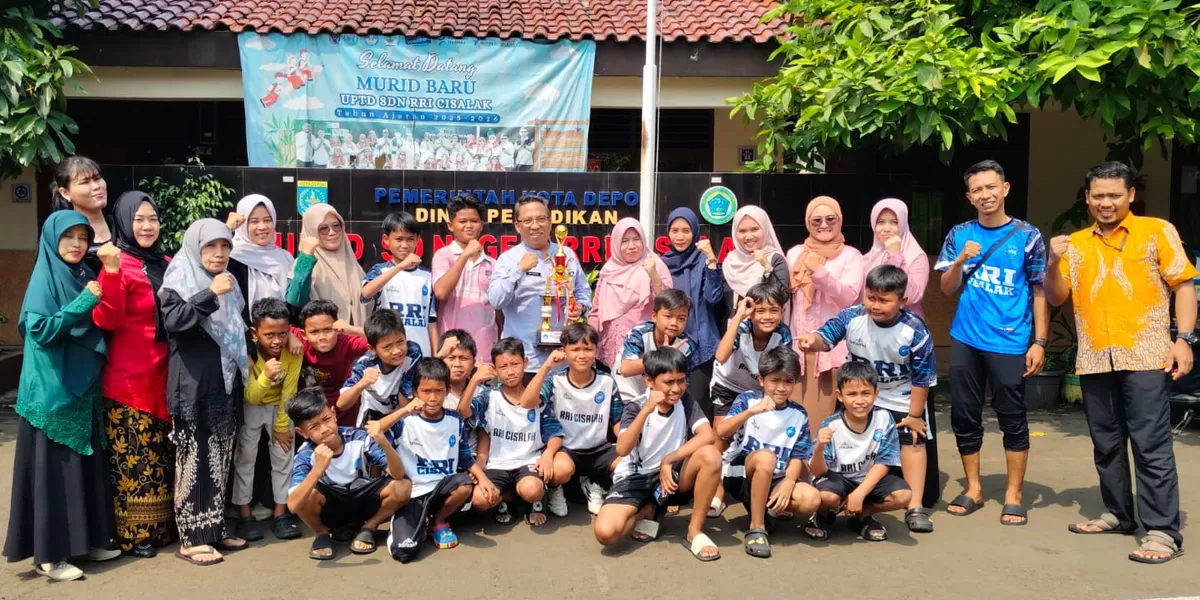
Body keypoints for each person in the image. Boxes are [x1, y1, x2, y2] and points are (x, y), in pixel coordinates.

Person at [1045, 161, 1196, 564]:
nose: (1106, 202)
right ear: (1087, 197)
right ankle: (1119, 513)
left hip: (1147, 355)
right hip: (1095, 357)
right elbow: (1057, 296)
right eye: (1098, 195)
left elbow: (1183, 285)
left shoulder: (1156, 231)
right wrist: (1051, 262)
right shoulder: (1076, 244)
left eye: (1114, 195)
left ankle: (1162, 531)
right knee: (1107, 444)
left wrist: (1184, 340)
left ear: (1131, 195)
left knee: (1150, 445)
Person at [3, 211, 120, 581]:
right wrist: (82, 303)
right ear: (52, 240)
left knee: (83, 468)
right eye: (69, 237)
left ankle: (88, 543)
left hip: (83, 389)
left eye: (83, 237)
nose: (77, 244)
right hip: (51, 391)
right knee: (54, 474)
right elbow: (39, 330)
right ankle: (50, 556)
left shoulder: (82, 274)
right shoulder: (44, 278)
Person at [935, 160, 1048, 526]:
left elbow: (1040, 291)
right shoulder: (959, 234)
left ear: (1005, 188)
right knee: (964, 415)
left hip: (1011, 341)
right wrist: (960, 261)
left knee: (1012, 416)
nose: (985, 195)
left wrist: (1040, 341)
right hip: (966, 338)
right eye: (977, 190)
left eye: (991, 187)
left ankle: (1014, 494)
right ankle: (973, 488)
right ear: (969, 197)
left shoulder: (1027, 236)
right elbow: (947, 288)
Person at [797, 265, 937, 533]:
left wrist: (915, 415)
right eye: (871, 297)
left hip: (900, 394)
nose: (875, 305)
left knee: (913, 438)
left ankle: (915, 506)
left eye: (884, 300)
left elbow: (923, 377)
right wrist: (811, 341)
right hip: (860, 392)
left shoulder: (915, 330)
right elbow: (826, 336)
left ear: (903, 301)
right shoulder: (853, 316)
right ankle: (837, 494)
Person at [159, 218, 251, 565]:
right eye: (210, 246)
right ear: (194, 248)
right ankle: (191, 539)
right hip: (193, 385)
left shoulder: (228, 283)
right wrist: (210, 293)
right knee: (195, 460)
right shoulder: (179, 280)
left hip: (223, 383)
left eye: (225, 246)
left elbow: (238, 326)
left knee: (219, 458)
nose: (219, 253)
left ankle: (213, 529)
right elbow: (175, 321)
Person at [91, 191, 174, 558]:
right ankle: (134, 535)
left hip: (165, 376)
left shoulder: (166, 263)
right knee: (134, 461)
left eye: (152, 219)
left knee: (161, 457)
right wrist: (110, 274)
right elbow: (106, 319)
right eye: (139, 219)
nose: (147, 226)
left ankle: (162, 529)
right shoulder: (117, 263)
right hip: (128, 382)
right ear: (124, 222)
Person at [593, 347, 723, 562]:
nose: (676, 388)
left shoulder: (685, 400)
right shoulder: (636, 407)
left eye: (681, 380)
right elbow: (622, 449)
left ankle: (694, 532)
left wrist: (668, 460)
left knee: (710, 455)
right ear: (649, 381)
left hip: (671, 478)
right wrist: (646, 410)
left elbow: (707, 435)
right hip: (636, 478)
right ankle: (647, 510)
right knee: (606, 534)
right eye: (669, 382)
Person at [367, 359, 484, 562]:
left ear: (447, 390)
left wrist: (484, 479)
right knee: (404, 551)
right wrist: (404, 410)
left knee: (464, 484)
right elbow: (375, 431)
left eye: (438, 391)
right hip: (413, 493)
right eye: (426, 391)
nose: (432, 398)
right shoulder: (404, 421)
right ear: (415, 392)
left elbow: (465, 456)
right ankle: (415, 522)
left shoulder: (454, 419)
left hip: (442, 489)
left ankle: (438, 521)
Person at [715, 346, 821, 558]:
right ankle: (757, 528)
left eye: (788, 381)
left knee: (811, 499)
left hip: (776, 475)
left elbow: (798, 455)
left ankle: (767, 509)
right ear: (761, 380)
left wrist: (789, 481)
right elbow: (722, 430)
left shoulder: (799, 413)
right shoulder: (748, 400)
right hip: (741, 473)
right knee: (766, 458)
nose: (781, 388)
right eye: (774, 381)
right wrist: (751, 412)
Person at [285, 389, 412, 560]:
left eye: (326, 419)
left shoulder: (359, 437)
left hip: (365, 500)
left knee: (403, 486)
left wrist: (385, 444)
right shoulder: (306, 454)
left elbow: (398, 475)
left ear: (334, 414)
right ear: (302, 432)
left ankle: (369, 527)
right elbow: (293, 505)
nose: (324, 429)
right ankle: (321, 533)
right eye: (314, 426)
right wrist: (317, 469)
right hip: (332, 508)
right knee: (305, 495)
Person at [460, 338, 567, 527]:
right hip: (497, 464)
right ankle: (506, 498)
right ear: (495, 369)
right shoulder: (489, 397)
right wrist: (475, 379)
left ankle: (537, 500)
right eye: (503, 366)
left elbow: (555, 432)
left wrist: (548, 454)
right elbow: (462, 413)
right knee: (479, 500)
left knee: (532, 490)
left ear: (525, 362)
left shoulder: (536, 397)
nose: (510, 371)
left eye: (515, 364)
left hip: (528, 462)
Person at [524, 323, 625, 516]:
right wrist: (546, 366)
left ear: (596, 351)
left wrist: (626, 441)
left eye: (588, 349)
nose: (582, 355)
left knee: (628, 464)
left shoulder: (607, 381)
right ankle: (555, 490)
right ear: (564, 351)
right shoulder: (555, 380)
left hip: (599, 449)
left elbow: (617, 419)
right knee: (560, 469)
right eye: (575, 349)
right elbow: (527, 402)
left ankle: (597, 485)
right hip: (566, 450)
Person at [488, 195, 591, 379]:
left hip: (563, 359)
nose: (535, 226)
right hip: (523, 360)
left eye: (541, 219)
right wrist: (519, 270)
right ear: (517, 226)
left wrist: (580, 307)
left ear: (550, 222)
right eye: (527, 220)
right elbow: (496, 300)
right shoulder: (508, 259)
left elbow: (582, 291)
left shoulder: (566, 254)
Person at [808, 361, 912, 542]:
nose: (859, 401)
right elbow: (818, 472)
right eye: (852, 394)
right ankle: (823, 516)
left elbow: (885, 462)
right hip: (838, 479)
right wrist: (819, 448)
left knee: (903, 496)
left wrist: (860, 493)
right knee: (826, 496)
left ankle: (863, 515)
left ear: (876, 393)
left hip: (868, 478)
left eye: (866, 393)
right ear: (840, 396)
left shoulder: (884, 418)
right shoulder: (832, 424)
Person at [787, 196, 864, 431]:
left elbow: (848, 298)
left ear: (840, 220)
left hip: (833, 351)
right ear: (807, 223)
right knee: (796, 420)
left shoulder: (851, 256)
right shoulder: (795, 254)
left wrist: (819, 273)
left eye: (830, 219)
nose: (824, 225)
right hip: (799, 351)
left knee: (825, 423)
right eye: (816, 220)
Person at [232, 298, 303, 542]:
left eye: (282, 334)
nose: (276, 341)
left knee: (283, 457)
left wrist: (282, 427)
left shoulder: (293, 351)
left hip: (280, 408)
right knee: (245, 458)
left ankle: (281, 514)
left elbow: (289, 391)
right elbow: (250, 396)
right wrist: (266, 376)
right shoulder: (248, 351)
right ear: (255, 333)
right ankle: (245, 515)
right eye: (269, 335)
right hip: (253, 405)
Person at [662, 207, 725, 419]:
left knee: (698, 406)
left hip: (702, 346)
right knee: (670, 405)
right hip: (672, 343)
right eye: (675, 231)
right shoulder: (663, 263)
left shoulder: (703, 260)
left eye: (686, 231)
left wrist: (712, 260)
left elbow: (713, 297)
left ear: (695, 233)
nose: (680, 237)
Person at [589, 217, 672, 371]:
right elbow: (596, 311)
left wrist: (654, 275)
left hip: (640, 350)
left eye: (636, 239)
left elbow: (667, 305)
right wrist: (588, 341)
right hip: (607, 348)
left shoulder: (655, 265)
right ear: (615, 244)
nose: (632, 246)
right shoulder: (609, 270)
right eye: (625, 241)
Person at [432, 193, 498, 362]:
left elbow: (498, 309)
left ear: (481, 225)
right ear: (450, 225)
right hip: (453, 349)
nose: (469, 226)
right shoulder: (444, 255)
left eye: (474, 221)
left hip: (485, 349)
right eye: (462, 221)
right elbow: (440, 292)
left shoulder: (492, 264)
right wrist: (464, 255)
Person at [362, 212, 438, 356]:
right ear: (386, 240)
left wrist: (436, 357)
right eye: (398, 239)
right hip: (388, 354)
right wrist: (400, 267)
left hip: (421, 354)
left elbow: (431, 321)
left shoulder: (427, 276)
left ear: (417, 240)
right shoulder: (380, 271)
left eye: (410, 239)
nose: (405, 245)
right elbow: (365, 293)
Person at [337, 308, 423, 426]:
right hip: (371, 419)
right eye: (387, 347)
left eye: (400, 342)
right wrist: (362, 384)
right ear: (372, 349)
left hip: (401, 416)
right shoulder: (365, 365)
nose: (396, 351)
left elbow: (404, 397)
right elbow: (341, 404)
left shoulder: (413, 353)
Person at [288, 204, 369, 326]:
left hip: (356, 336)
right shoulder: (304, 264)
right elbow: (295, 299)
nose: (332, 232)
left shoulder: (352, 263)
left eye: (336, 226)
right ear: (312, 231)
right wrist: (306, 257)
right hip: (324, 336)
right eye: (323, 228)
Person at [293, 300, 369, 426]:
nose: (322, 337)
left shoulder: (347, 343)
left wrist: (351, 329)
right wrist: (290, 337)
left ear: (337, 328)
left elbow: (382, 337)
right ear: (303, 334)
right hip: (307, 412)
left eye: (328, 329)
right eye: (314, 332)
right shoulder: (298, 339)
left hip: (343, 409)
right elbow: (276, 327)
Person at [226, 194, 297, 325]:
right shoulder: (231, 257)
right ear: (243, 225)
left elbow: (294, 303)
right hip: (246, 334)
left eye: (267, 220)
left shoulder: (285, 258)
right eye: (254, 221)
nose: (262, 227)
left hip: (282, 334)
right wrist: (226, 230)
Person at [616, 289, 696, 399]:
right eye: (668, 316)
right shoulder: (639, 334)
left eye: (681, 318)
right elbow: (626, 369)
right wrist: (661, 356)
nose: (674, 323)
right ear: (654, 316)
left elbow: (682, 380)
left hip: (660, 396)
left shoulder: (686, 346)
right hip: (628, 390)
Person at [861, 198, 930, 317]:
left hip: (904, 324)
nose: (886, 229)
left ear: (903, 224)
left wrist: (895, 256)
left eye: (894, 222)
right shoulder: (867, 258)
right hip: (870, 324)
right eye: (881, 222)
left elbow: (912, 296)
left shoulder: (916, 256)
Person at [434, 330, 490, 461]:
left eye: (464, 358)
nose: (457, 364)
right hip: (439, 458)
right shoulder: (432, 391)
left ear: (473, 364)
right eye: (451, 358)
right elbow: (460, 415)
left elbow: (483, 434)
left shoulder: (482, 393)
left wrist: (479, 466)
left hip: (471, 459)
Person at [49, 156, 111, 273]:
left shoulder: (122, 227)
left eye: (97, 178)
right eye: (85, 182)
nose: (96, 186)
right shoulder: (59, 233)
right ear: (65, 193)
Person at [723, 206, 789, 306]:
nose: (749, 236)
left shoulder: (774, 259)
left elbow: (782, 297)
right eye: (742, 231)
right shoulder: (730, 261)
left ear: (765, 229)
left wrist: (767, 267)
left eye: (754, 229)